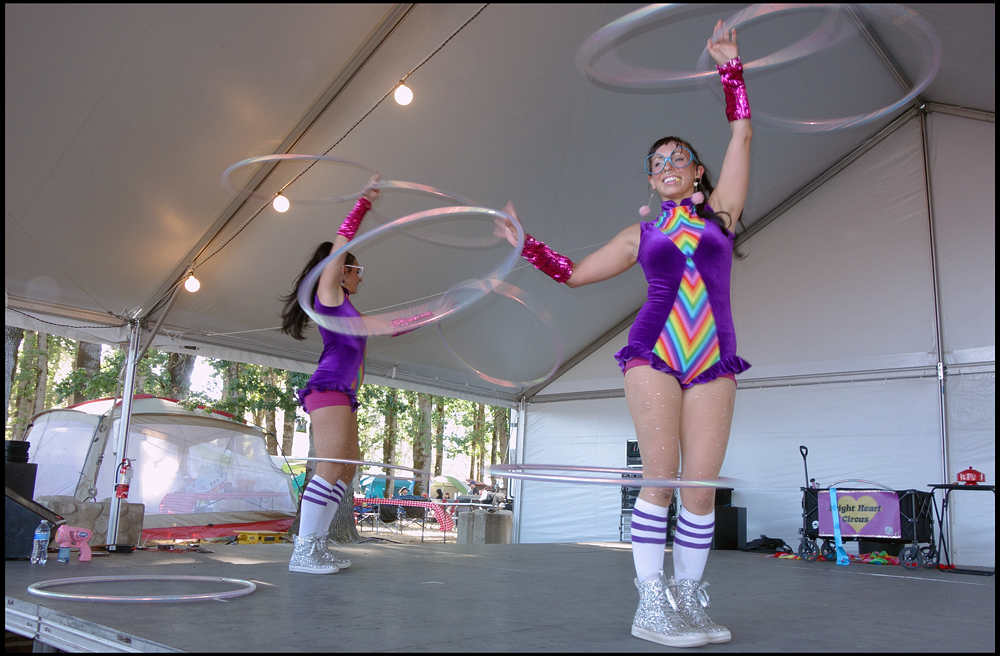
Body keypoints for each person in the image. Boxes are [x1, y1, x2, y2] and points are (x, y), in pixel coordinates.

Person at [498, 22, 751, 648]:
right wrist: (526, 245)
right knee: (660, 475)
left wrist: (731, 70)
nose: (666, 165)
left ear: (697, 172)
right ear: (650, 180)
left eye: (677, 158)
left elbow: (743, 133)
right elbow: (575, 274)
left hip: (714, 358)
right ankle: (650, 605)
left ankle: (687, 598)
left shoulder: (722, 216)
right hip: (655, 353)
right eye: (656, 162)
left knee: (701, 488)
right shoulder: (640, 235)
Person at [279, 175, 380, 575]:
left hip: (343, 392)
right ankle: (303, 551)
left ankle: (317, 546)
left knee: (346, 470)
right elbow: (338, 247)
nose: (361, 276)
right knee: (331, 466)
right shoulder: (330, 296)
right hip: (330, 387)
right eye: (356, 269)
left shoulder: (348, 311)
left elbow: (389, 326)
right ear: (340, 271)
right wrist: (362, 204)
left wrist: (434, 312)